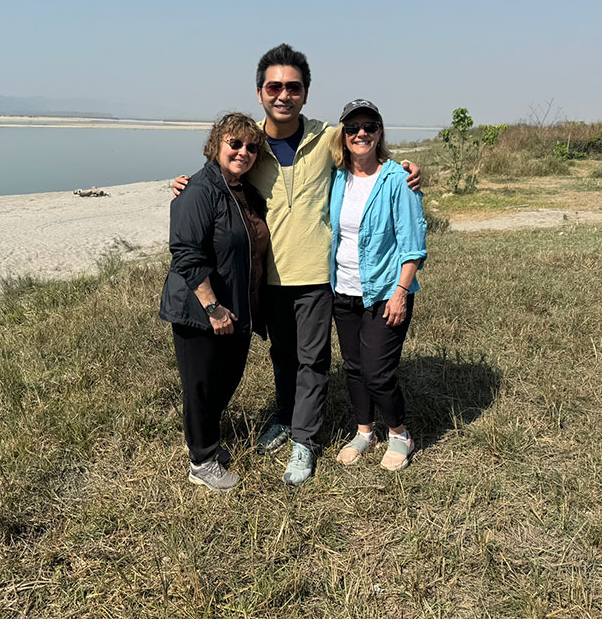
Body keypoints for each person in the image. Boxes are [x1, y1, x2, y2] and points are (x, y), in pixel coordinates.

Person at [173, 44, 421, 487]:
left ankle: (304, 443)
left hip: (315, 278)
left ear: (305, 93)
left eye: (293, 86)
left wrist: (409, 171)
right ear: (260, 92)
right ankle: (285, 418)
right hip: (266, 278)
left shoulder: (327, 137)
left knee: (313, 360)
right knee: (282, 356)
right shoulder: (252, 146)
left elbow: (368, 152)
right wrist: (187, 183)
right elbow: (220, 175)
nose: (283, 94)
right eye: (275, 86)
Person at [159, 113, 270, 491]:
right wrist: (212, 306)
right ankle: (201, 460)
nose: (243, 152)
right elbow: (186, 254)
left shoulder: (244, 190)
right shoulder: (198, 190)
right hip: (200, 311)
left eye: (251, 147)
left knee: (227, 379)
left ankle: (208, 439)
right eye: (234, 144)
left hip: (236, 307)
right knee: (202, 385)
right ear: (216, 144)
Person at [329, 99, 427, 471]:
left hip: (385, 292)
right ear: (344, 134)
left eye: (369, 126)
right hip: (343, 290)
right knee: (354, 367)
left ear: (379, 132)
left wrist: (401, 292)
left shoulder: (397, 180)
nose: (361, 133)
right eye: (353, 128)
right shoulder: (337, 178)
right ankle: (364, 431)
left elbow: (414, 245)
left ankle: (400, 433)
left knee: (377, 370)